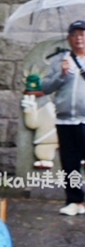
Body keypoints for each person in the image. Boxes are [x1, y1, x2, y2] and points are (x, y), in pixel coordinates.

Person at [38, 19, 85, 214]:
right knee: (70, 162)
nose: (78, 38)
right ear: (68, 38)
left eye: (82, 34)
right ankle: (75, 201)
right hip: (65, 119)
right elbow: (46, 87)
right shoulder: (61, 59)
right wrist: (62, 74)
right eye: (74, 35)